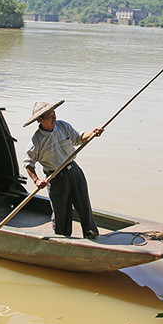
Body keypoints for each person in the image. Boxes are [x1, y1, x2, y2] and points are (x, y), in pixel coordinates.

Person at [23, 100, 103, 239]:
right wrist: (36, 180)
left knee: (83, 203)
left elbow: (78, 138)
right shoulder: (37, 140)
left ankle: (91, 234)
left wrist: (92, 133)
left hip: (74, 171)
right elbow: (28, 163)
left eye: (54, 114)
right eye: (50, 116)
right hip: (55, 177)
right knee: (61, 211)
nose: (54, 118)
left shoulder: (62, 126)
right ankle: (62, 238)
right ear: (40, 120)